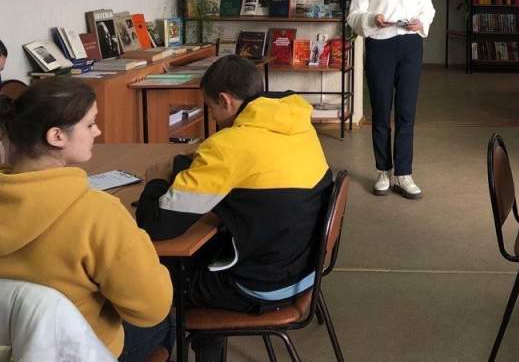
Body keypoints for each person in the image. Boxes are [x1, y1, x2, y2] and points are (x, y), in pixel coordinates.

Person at [136, 55, 331, 362]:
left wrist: (157, 181)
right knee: (204, 248)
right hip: (305, 269)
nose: (212, 117)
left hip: (261, 284)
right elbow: (247, 166)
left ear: (225, 100)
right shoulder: (295, 123)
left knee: (149, 279)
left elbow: (157, 225)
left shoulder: (229, 147)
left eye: (210, 107)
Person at [0, 77, 173, 361]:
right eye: (90, 124)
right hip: (83, 350)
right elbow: (151, 308)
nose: (98, 131)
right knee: (165, 322)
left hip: (9, 348)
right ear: (56, 136)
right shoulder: (98, 213)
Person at [348, 0, 435, 199]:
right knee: (381, 110)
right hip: (380, 46)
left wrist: (421, 22)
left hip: (410, 45)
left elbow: (428, 9)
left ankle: (404, 174)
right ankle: (383, 171)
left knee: (406, 112)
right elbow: (354, 15)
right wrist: (372, 19)